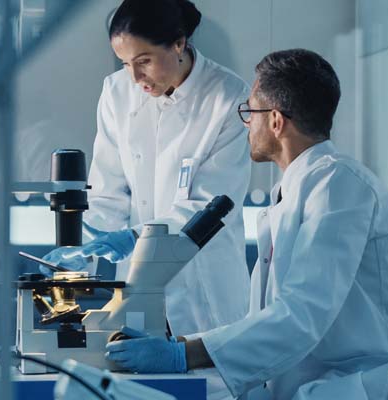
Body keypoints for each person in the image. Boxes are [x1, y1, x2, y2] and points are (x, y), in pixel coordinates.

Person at [105, 49, 388, 399]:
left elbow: (301, 315)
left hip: (363, 386)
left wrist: (181, 356)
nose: (246, 123)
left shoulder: (340, 186)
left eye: (249, 111)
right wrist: (182, 344)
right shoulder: (295, 190)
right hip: (314, 385)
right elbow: (272, 320)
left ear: (276, 121)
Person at [42, 1, 251, 398]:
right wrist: (88, 251)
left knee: (209, 389)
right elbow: (107, 190)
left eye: (144, 61)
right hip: (138, 287)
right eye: (124, 63)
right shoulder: (117, 92)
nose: (135, 76)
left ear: (178, 43)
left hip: (204, 287)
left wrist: (129, 239)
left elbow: (205, 209)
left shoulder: (228, 97)